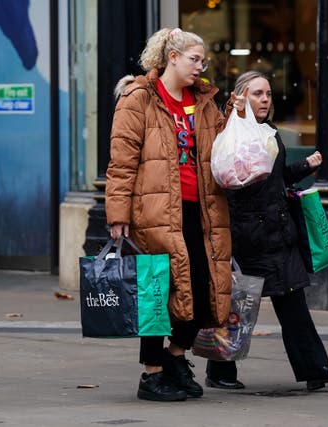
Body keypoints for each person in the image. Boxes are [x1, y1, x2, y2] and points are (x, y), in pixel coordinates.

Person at [105, 28, 245, 402]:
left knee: (202, 289)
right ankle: (151, 375)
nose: (201, 67)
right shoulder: (138, 98)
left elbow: (223, 150)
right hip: (153, 211)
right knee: (157, 292)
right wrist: (117, 213)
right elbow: (122, 161)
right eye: (195, 59)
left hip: (200, 210)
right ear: (172, 57)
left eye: (203, 61)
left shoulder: (204, 101)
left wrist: (235, 114)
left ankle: (176, 358)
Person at [205, 71, 328, 392]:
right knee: (237, 306)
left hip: (279, 233)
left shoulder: (269, 132)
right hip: (249, 236)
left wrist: (303, 167)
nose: (265, 99)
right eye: (258, 94)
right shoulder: (230, 135)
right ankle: (219, 370)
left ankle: (315, 369)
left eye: (268, 94)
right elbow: (228, 183)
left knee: (293, 304)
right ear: (241, 97)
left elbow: (275, 178)